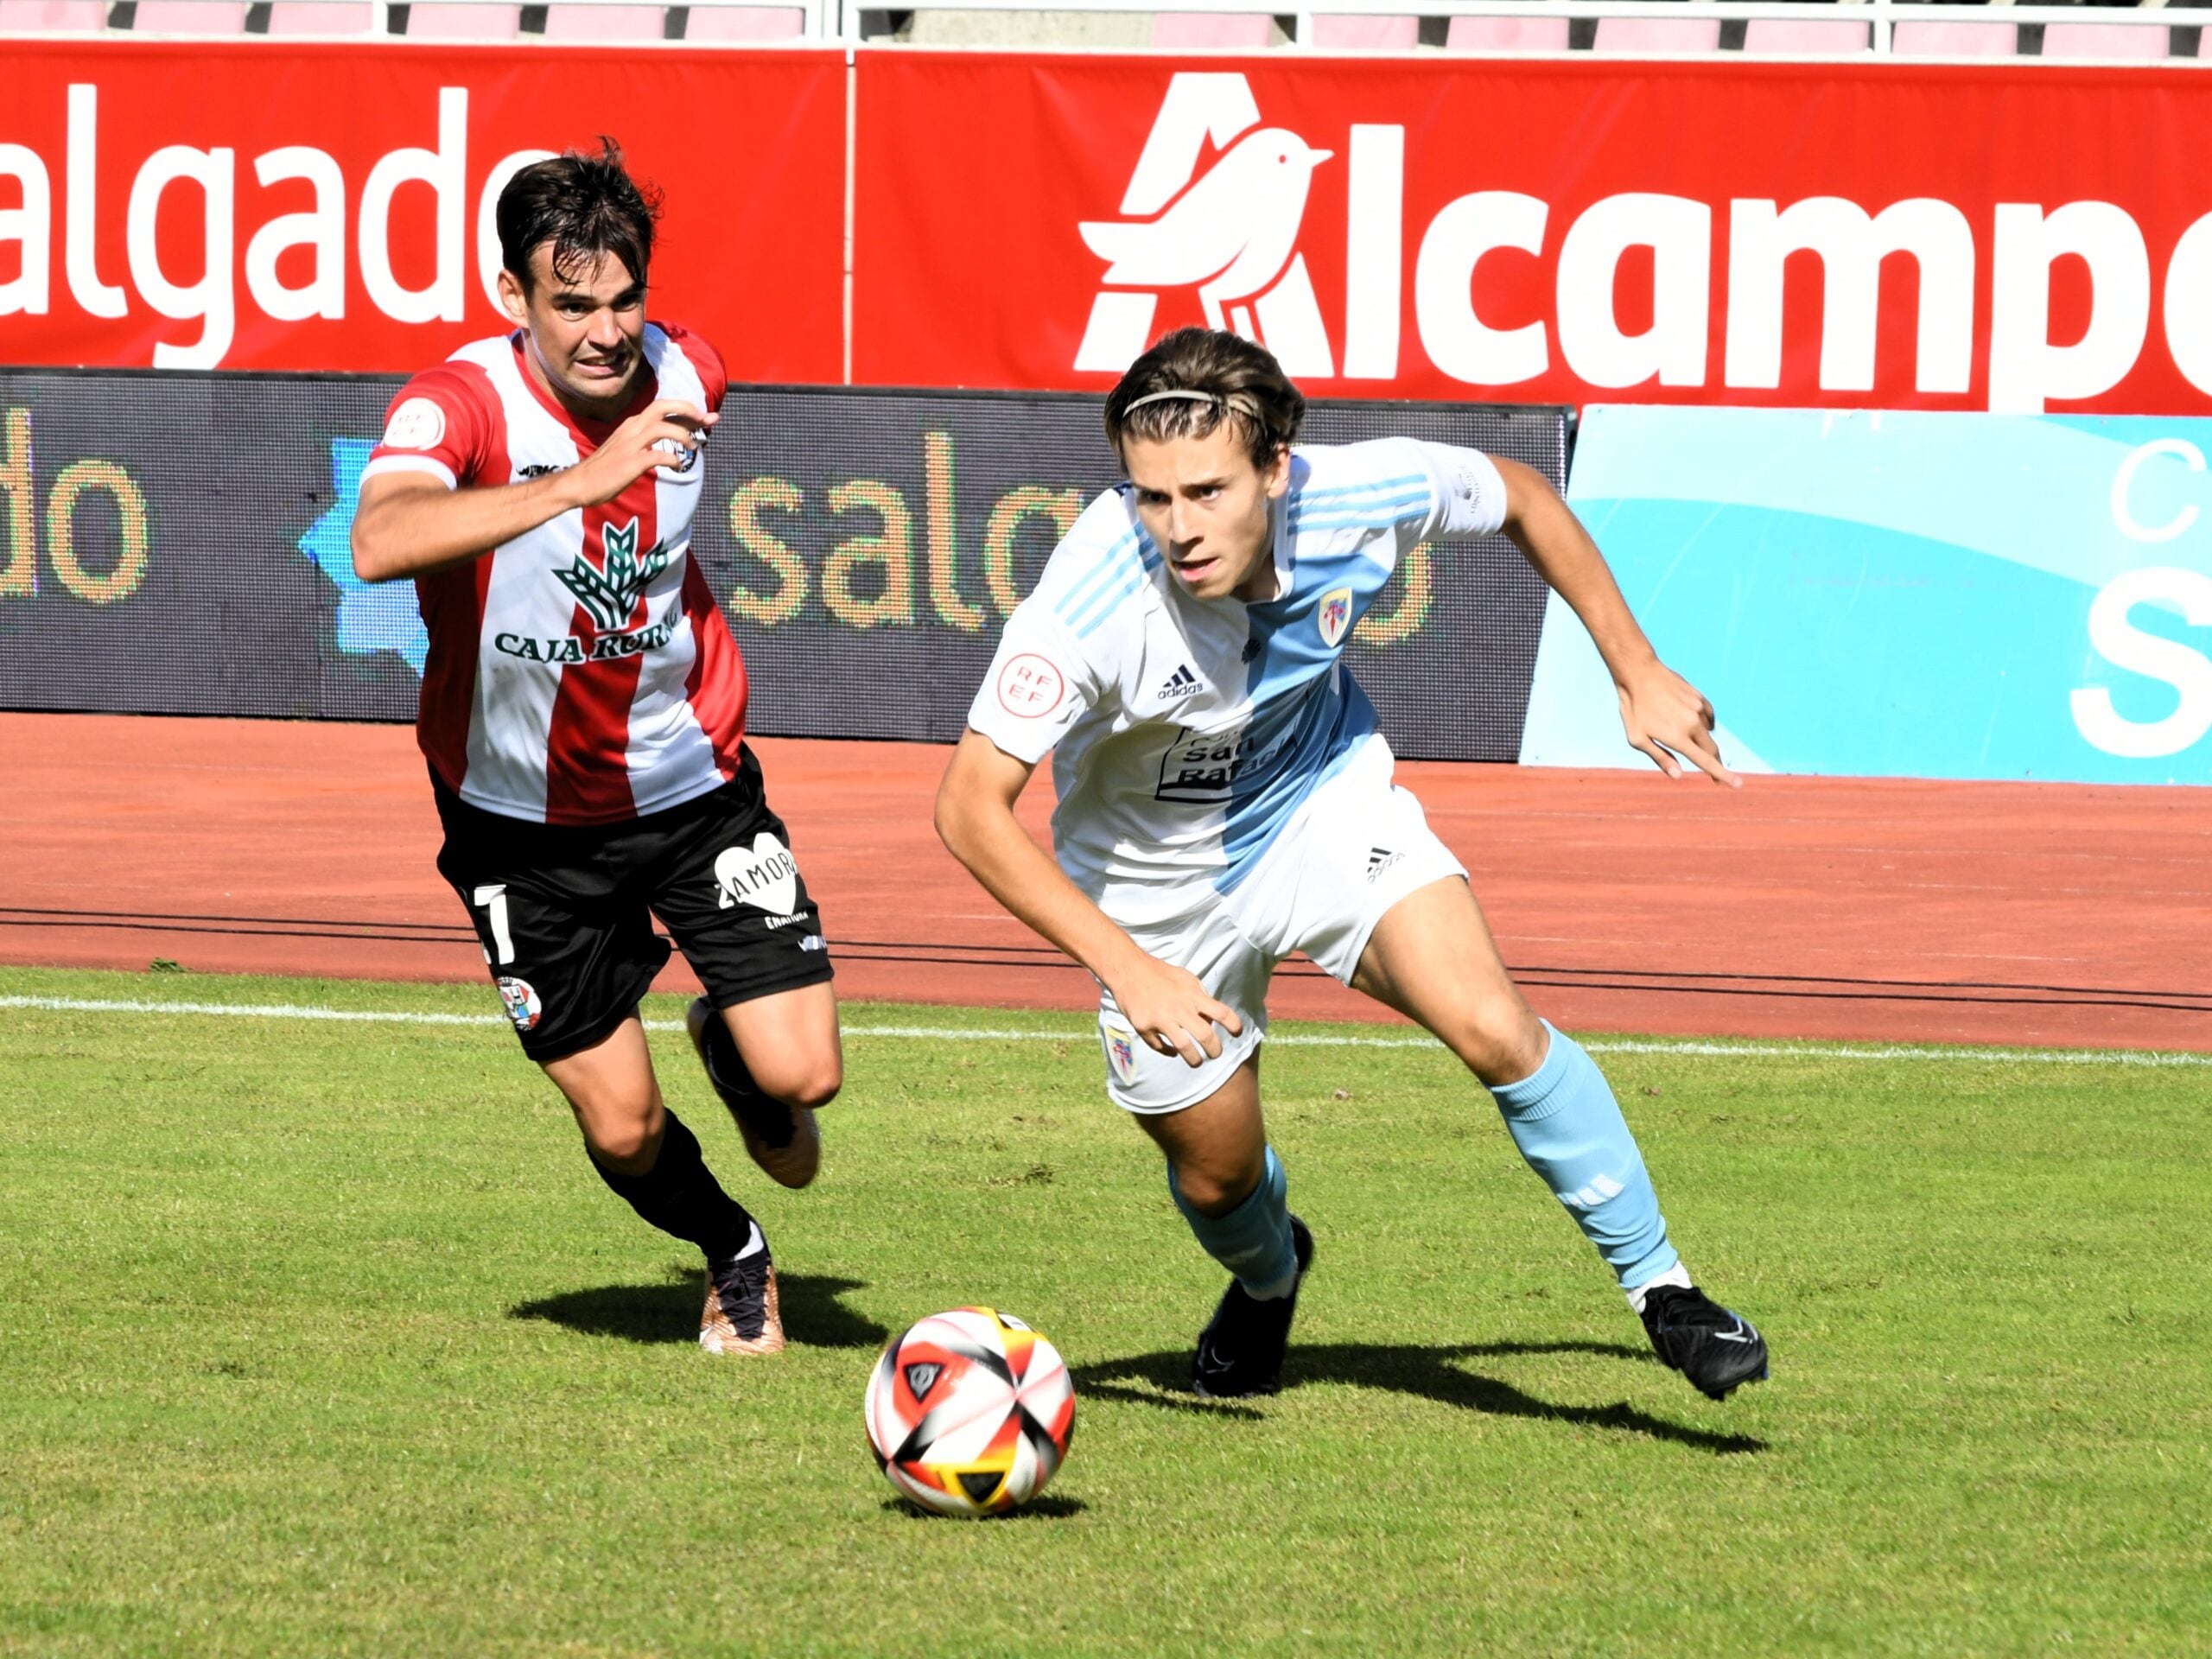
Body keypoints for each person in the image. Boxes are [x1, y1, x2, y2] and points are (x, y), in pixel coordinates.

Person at [935, 327, 1768, 1402]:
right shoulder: (1093, 598)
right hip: (1148, 891)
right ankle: (1271, 1278)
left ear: (1276, 467)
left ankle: (1665, 1291)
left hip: (1318, 802)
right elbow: (968, 808)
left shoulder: (1359, 493)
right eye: (1150, 497)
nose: (1178, 529)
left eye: (1205, 491)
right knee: (1219, 1171)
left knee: (1492, 1024)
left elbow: (1519, 493)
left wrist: (1634, 665)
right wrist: (1129, 967)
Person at [350, 142, 840, 1357]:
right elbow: (380, 539)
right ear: (512, 297)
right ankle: (731, 1252)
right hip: (517, 827)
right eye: (572, 304)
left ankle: (735, 1045)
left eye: (624, 300)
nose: (608, 332)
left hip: (689, 790)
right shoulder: (453, 403)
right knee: (622, 1132)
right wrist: (576, 481)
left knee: (805, 1084)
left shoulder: (692, 372)